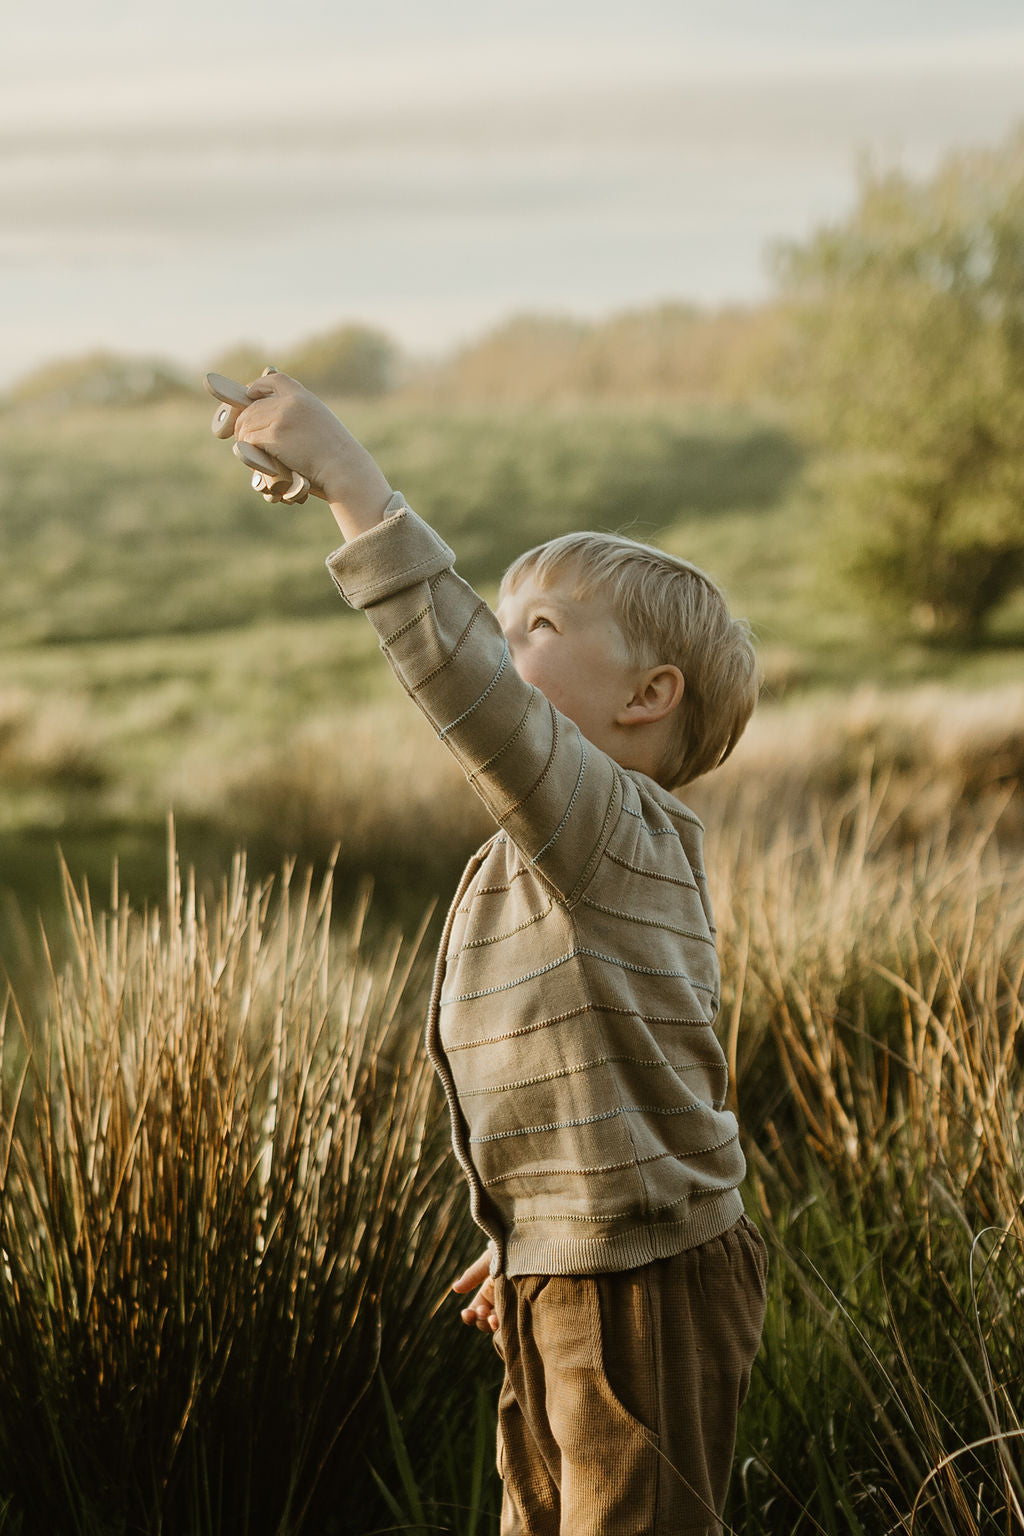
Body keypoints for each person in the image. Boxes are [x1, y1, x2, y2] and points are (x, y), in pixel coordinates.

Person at [232, 371, 768, 1536]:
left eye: (534, 629)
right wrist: (531, 1236)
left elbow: (461, 680)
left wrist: (350, 481)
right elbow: (593, 1073)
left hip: (644, 1287)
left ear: (647, 696)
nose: (500, 645)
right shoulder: (547, 853)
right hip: (570, 1268)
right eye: (504, 622)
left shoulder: (608, 829)